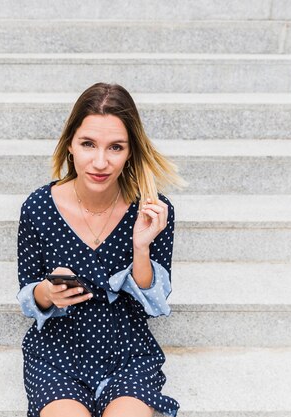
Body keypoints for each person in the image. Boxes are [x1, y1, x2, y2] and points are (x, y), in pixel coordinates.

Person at [16, 82, 188, 417]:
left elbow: (155, 304)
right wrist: (48, 293)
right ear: (70, 145)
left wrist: (141, 247)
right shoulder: (38, 207)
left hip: (127, 350)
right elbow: (27, 295)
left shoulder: (152, 210)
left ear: (130, 152)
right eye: (88, 144)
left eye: (115, 148)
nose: (100, 161)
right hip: (58, 351)